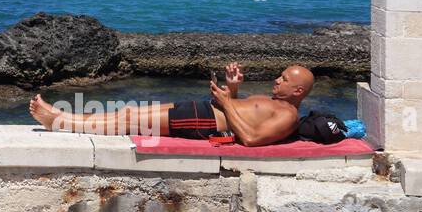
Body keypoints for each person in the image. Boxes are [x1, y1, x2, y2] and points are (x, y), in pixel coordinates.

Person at [28, 62, 314, 146]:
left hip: (205, 122)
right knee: (127, 112)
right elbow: (241, 112)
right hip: (204, 110)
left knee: (131, 123)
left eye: (285, 79)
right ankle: (63, 117)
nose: (278, 80)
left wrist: (226, 102)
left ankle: (59, 123)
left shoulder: (287, 116)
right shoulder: (272, 101)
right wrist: (233, 89)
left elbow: (251, 138)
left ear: (298, 90)